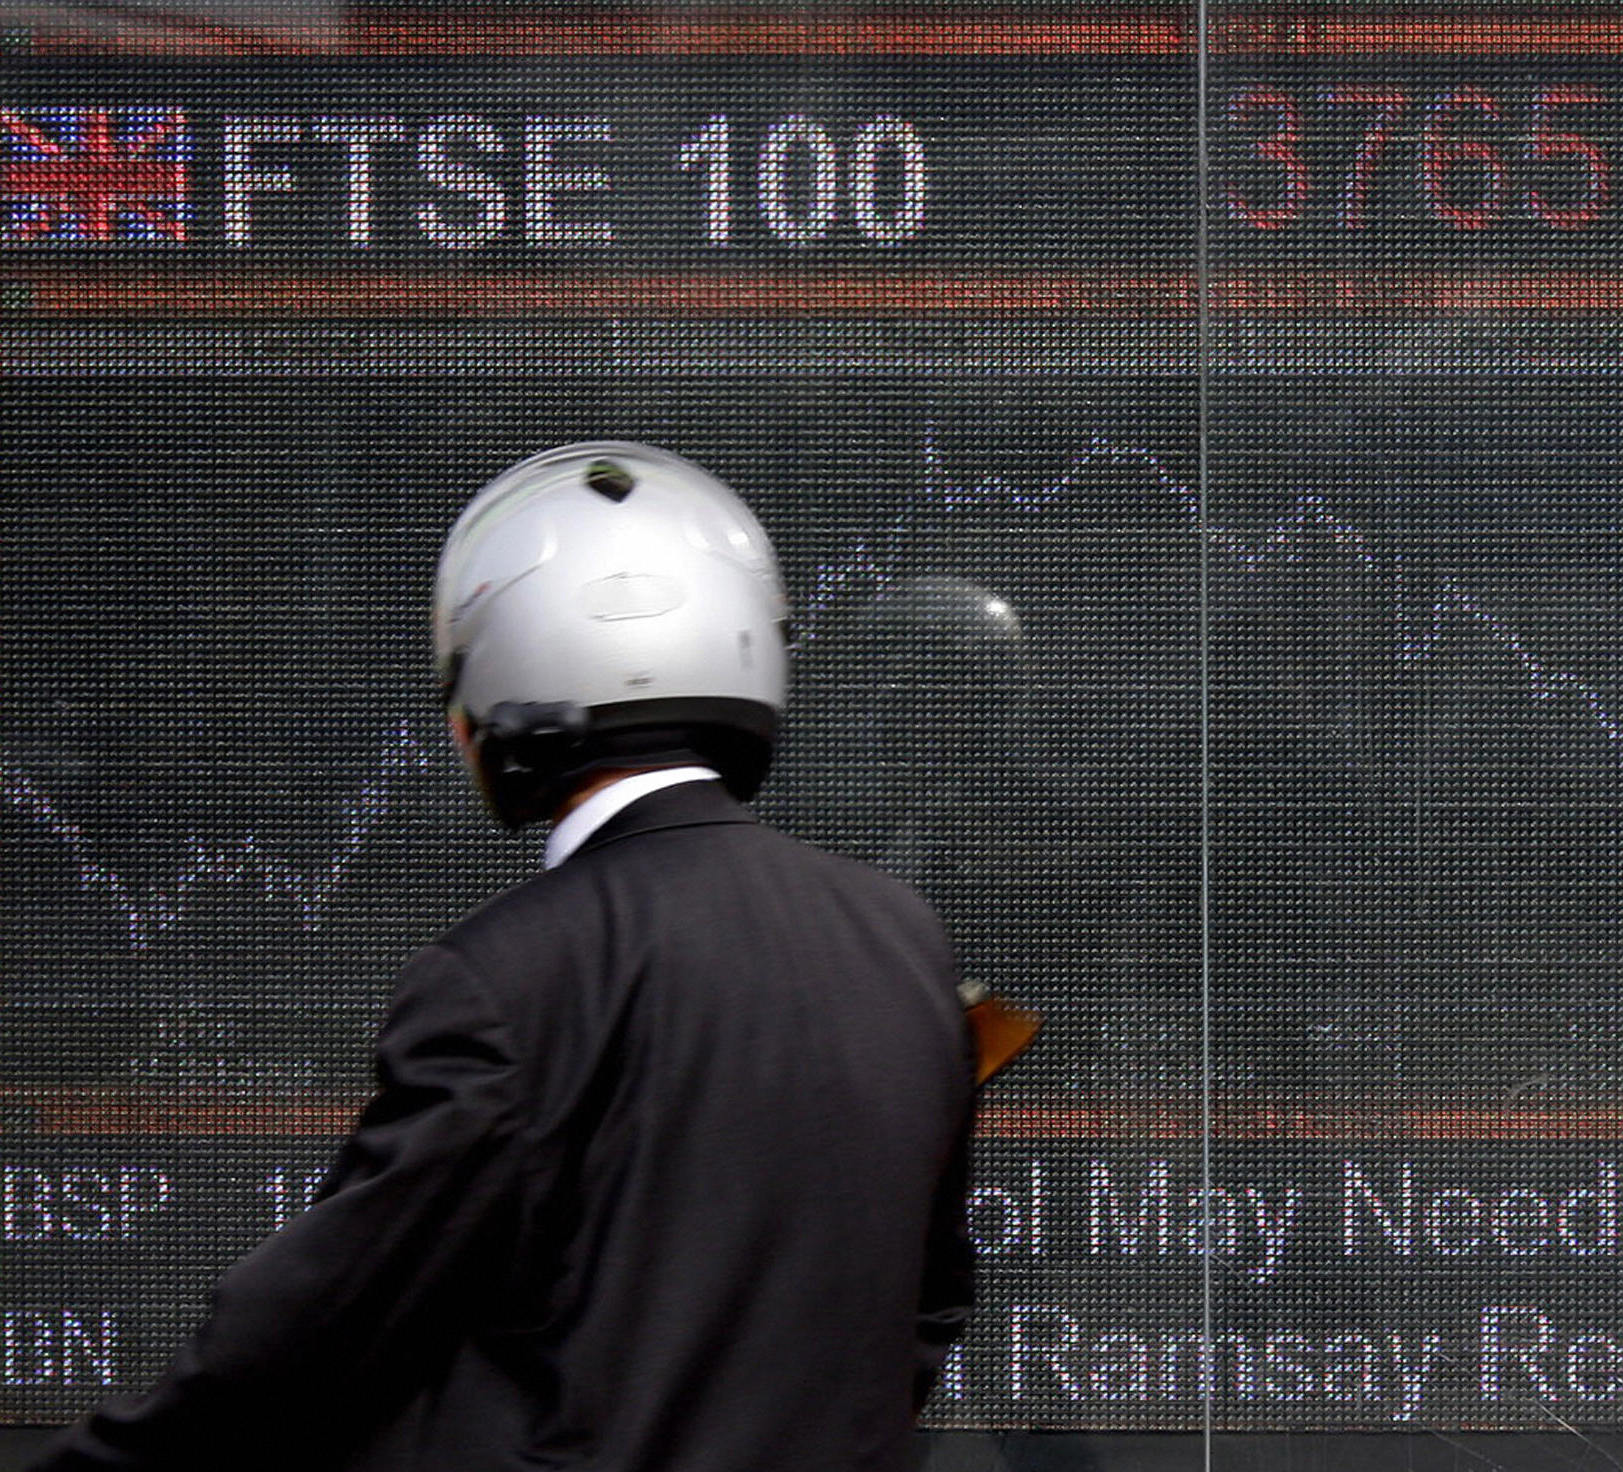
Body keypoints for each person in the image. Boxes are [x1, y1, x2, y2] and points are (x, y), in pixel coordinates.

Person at [31, 442, 977, 1472]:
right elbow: (926, 1304)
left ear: (510, 669)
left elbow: (326, 1324)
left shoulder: (505, 979)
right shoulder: (902, 939)